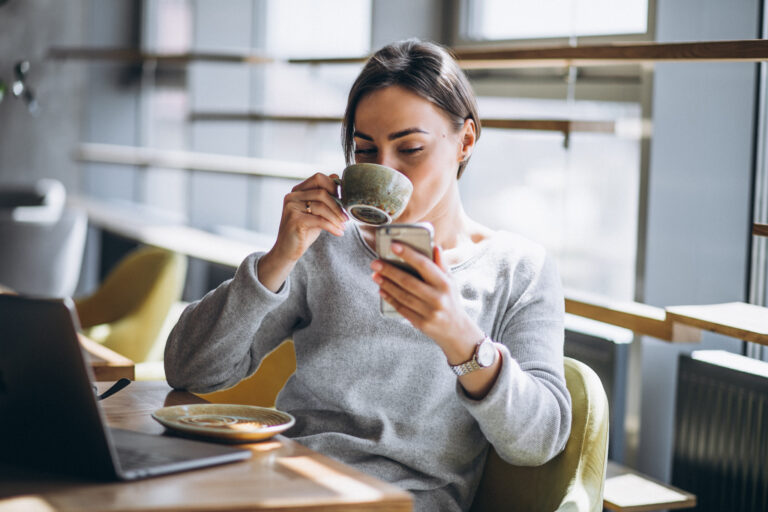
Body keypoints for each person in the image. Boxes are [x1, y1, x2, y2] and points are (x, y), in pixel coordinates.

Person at [165, 39, 571, 512]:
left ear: (465, 141)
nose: (385, 168)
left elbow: (539, 440)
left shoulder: (519, 270)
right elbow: (189, 369)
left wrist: (460, 338)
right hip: (284, 486)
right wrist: (278, 258)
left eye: (410, 148)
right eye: (365, 150)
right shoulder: (326, 245)